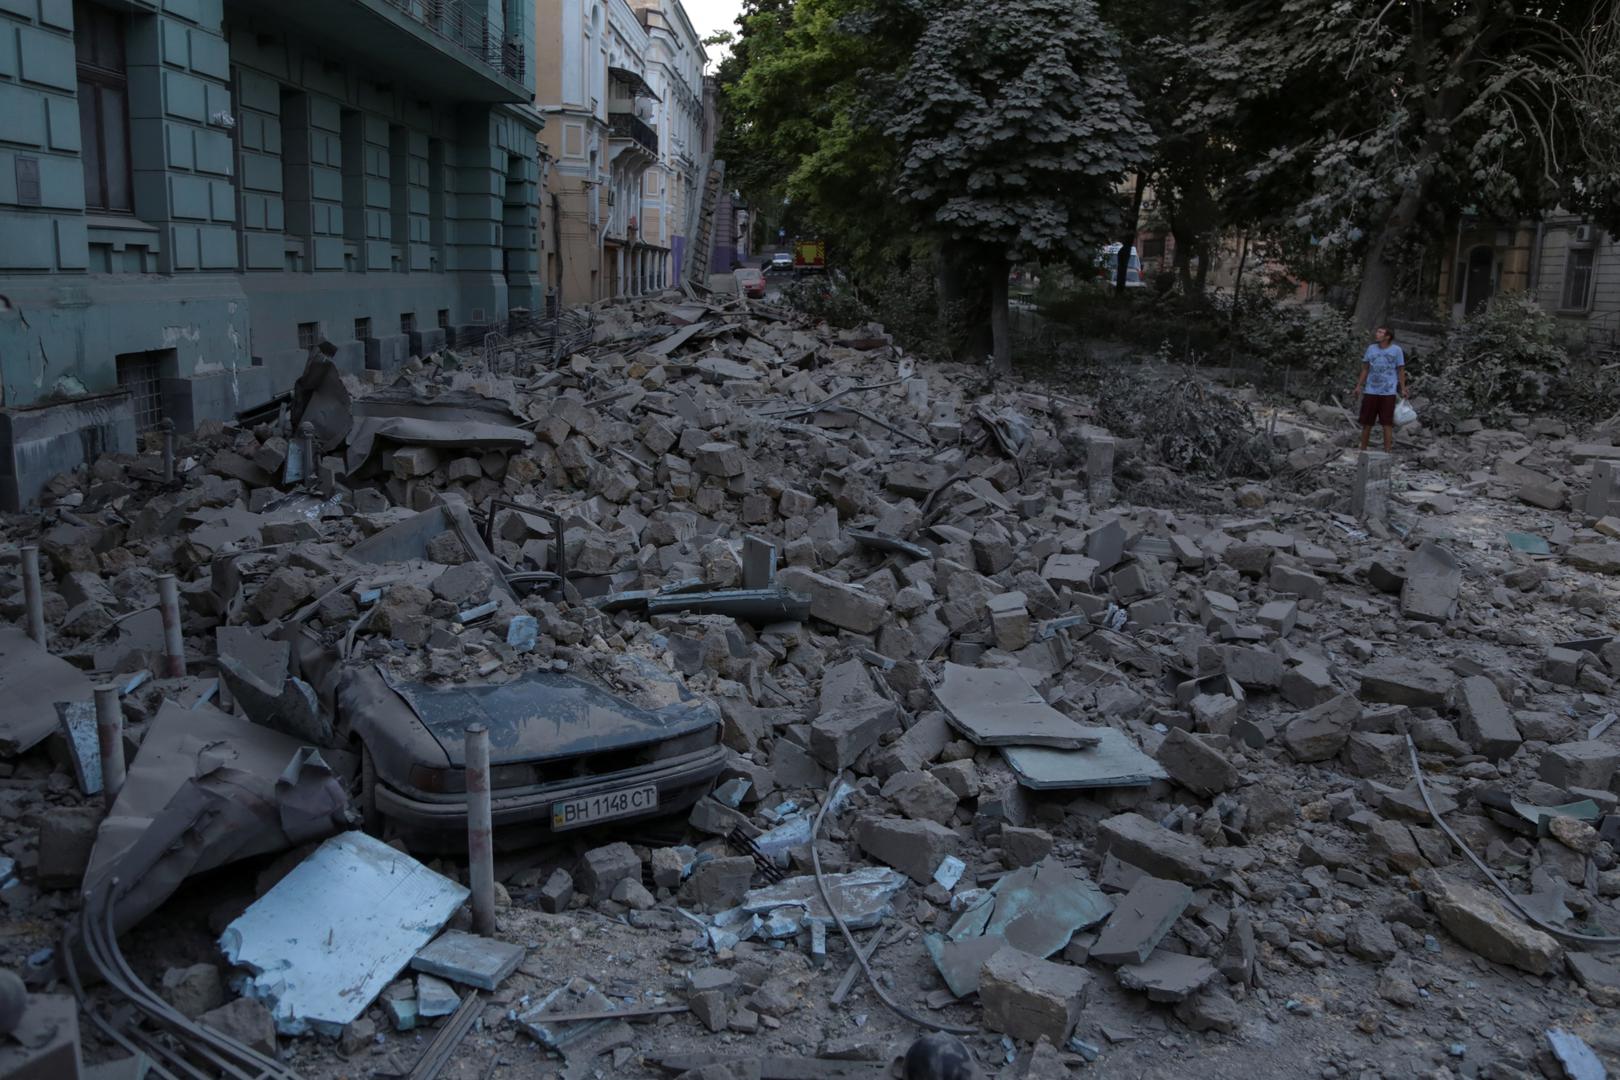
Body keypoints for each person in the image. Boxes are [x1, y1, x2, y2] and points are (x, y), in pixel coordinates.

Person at [1354, 326, 1407, 451]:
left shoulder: (1396, 350)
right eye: (1377, 331)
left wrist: (1403, 388)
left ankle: (1387, 452)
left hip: (1388, 392)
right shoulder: (1371, 349)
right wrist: (1358, 386)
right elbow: (1365, 368)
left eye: (1380, 332)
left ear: (1387, 336)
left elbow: (1401, 370)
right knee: (1367, 423)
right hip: (1371, 390)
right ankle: (1363, 450)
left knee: (1387, 424)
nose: (1377, 334)